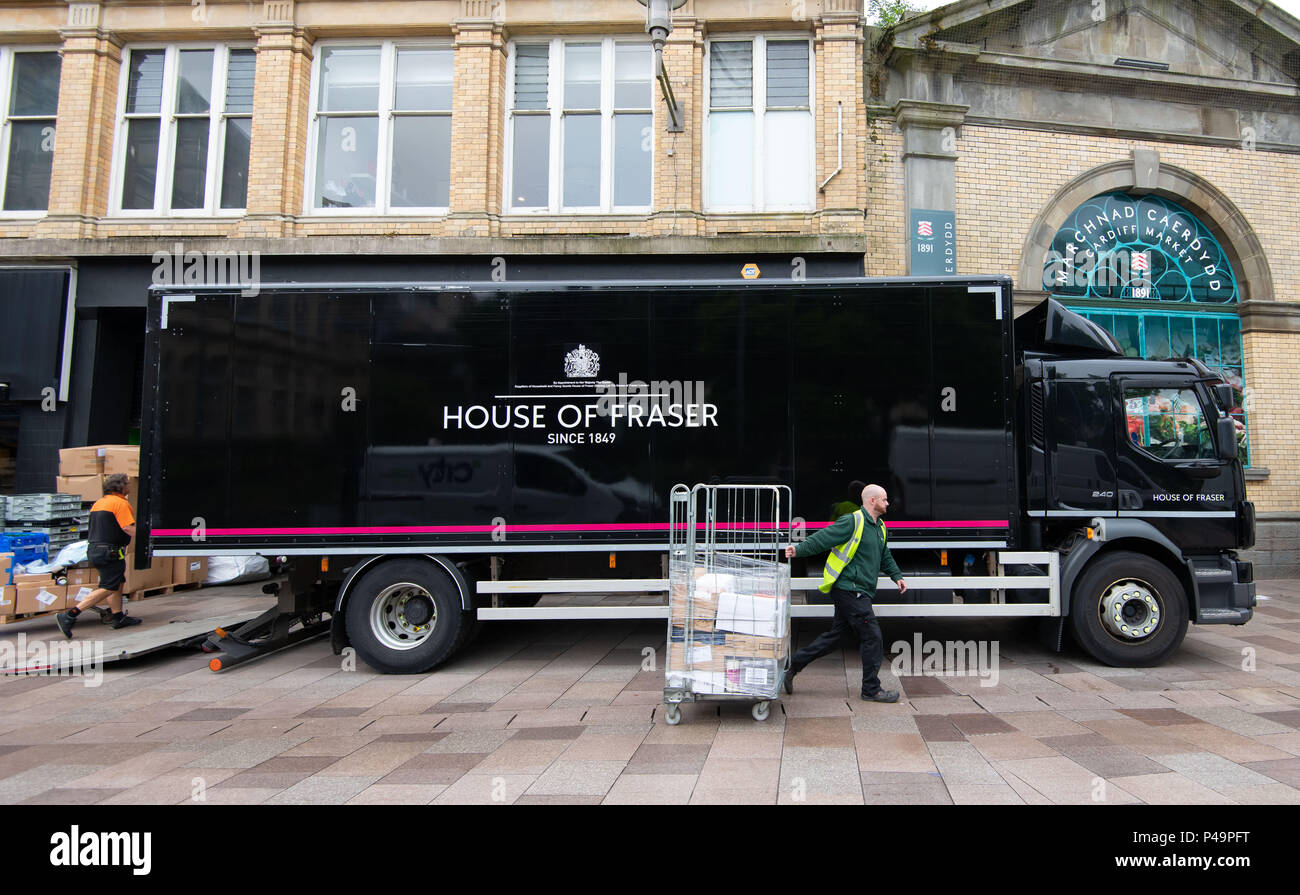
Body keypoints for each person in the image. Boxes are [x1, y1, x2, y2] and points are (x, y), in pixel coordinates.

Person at [784, 483, 906, 702]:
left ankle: (793, 666)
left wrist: (897, 575)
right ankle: (871, 689)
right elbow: (823, 538)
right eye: (884, 499)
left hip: (859, 591)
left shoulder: (880, 527)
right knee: (873, 637)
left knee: (836, 637)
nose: (888, 503)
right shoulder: (853, 521)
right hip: (850, 589)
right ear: (872, 501)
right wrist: (798, 549)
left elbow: (884, 554)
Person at [56, 474, 142, 638]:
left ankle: (117, 617)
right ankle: (70, 615)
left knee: (117, 582)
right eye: (127, 484)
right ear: (121, 487)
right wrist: (148, 536)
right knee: (108, 586)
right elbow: (127, 527)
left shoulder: (99, 503)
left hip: (96, 549)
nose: (129, 486)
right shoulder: (120, 503)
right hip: (110, 551)